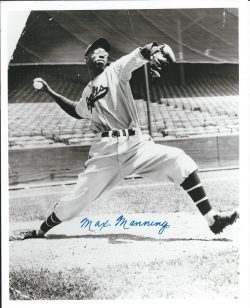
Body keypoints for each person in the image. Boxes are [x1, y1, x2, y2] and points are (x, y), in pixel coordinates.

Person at [10, 37, 238, 240]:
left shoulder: (116, 70)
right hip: (105, 153)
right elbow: (76, 111)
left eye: (105, 51)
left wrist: (155, 50)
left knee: (179, 159)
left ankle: (213, 220)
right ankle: (39, 231)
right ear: (87, 57)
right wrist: (50, 91)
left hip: (136, 146)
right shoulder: (87, 92)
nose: (102, 53)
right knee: (75, 201)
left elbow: (140, 53)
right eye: (96, 50)